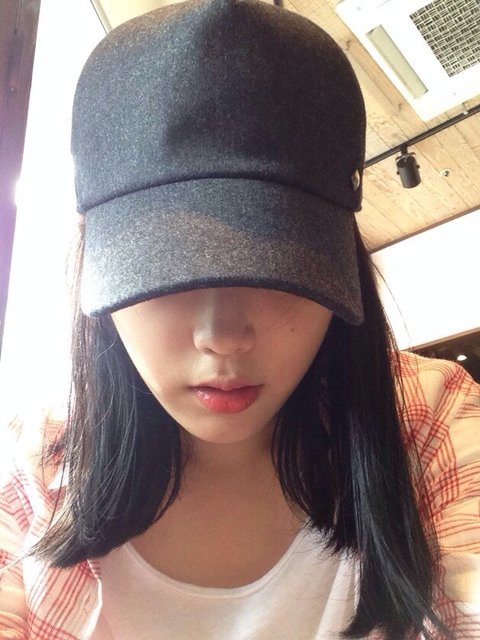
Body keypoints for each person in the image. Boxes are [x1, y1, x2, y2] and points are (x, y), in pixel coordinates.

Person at [0, 0, 479, 638]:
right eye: (163, 269)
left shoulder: (430, 423)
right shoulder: (32, 473)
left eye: (278, 266)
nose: (222, 337)